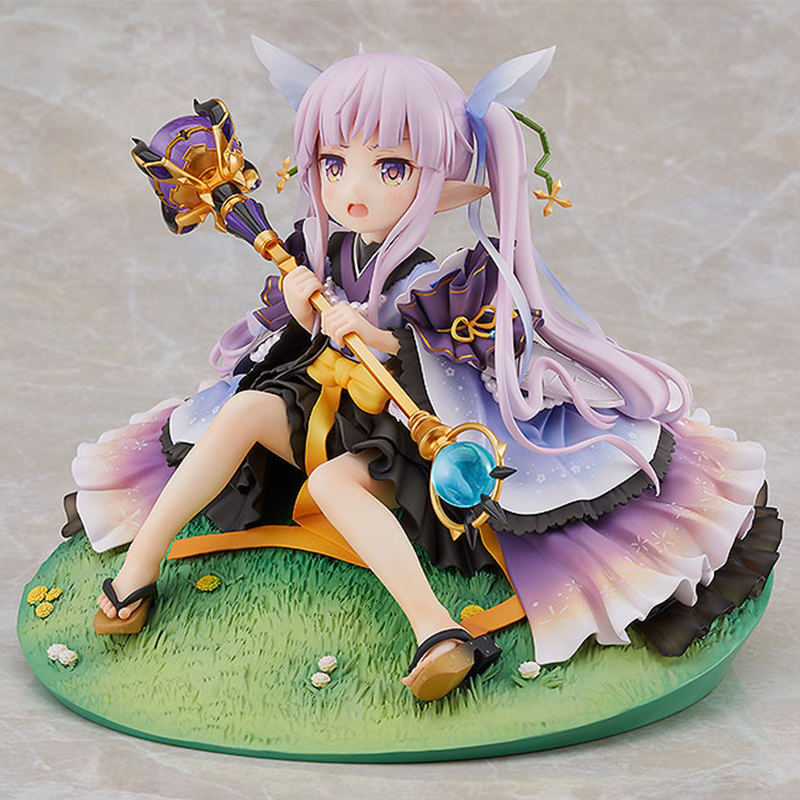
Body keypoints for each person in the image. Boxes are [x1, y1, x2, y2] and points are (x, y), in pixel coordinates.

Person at [75, 41, 777, 702]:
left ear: (436, 181)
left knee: (336, 483)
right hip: (328, 410)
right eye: (333, 163)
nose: (353, 188)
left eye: (390, 168)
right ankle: (140, 568)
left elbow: (470, 356)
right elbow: (287, 348)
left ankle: (435, 630)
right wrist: (300, 304)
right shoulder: (317, 253)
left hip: (410, 433)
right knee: (241, 411)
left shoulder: (443, 281)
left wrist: (380, 338)